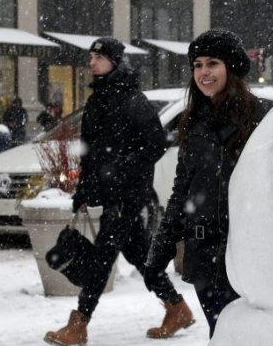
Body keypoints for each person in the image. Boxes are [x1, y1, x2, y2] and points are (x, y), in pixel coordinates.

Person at [44, 37, 193, 346]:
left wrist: (123, 169)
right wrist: (84, 189)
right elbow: (91, 151)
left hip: (127, 194)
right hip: (110, 192)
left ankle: (79, 324)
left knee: (101, 257)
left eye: (99, 57)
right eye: (91, 56)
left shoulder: (131, 98)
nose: (92, 62)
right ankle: (176, 307)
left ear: (115, 61)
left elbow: (155, 143)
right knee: (139, 253)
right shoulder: (99, 97)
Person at [146, 28, 271, 337]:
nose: (204, 72)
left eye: (212, 63)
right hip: (204, 255)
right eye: (198, 64)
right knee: (220, 333)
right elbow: (181, 190)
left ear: (230, 67)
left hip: (246, 254)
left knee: (247, 337)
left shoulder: (259, 118)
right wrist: (160, 249)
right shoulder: (192, 121)